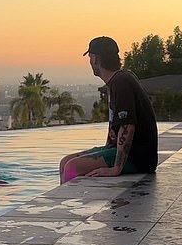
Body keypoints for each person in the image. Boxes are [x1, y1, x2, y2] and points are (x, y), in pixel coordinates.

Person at [59, 36, 159, 183]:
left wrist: (116, 168)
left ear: (95, 59)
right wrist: (106, 150)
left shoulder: (121, 82)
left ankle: (69, 205)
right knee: (65, 162)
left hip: (137, 158)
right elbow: (115, 127)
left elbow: (127, 126)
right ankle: (64, 204)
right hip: (124, 152)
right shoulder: (118, 80)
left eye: (90, 57)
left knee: (71, 167)